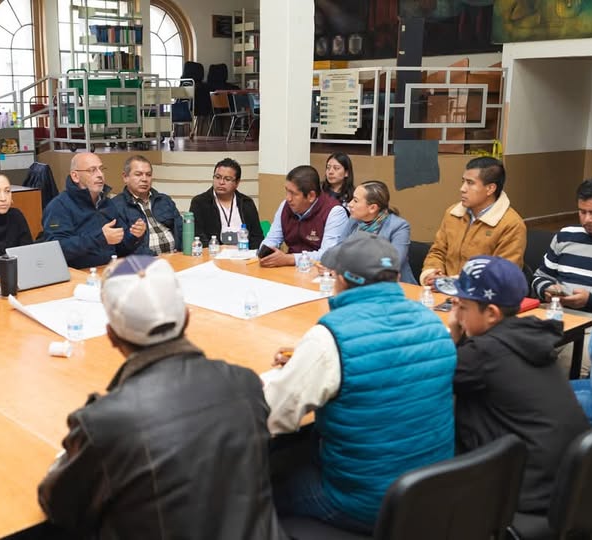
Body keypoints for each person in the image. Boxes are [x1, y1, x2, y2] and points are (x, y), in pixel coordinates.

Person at [37, 255, 287, 539]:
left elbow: (59, 505)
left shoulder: (104, 423)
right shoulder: (245, 383)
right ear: (187, 318)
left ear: (111, 335)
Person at [264, 233, 456, 533]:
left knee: (264, 482)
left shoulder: (331, 338)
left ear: (341, 279)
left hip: (364, 503)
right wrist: (310, 362)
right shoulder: (434, 323)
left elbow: (274, 416)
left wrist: (284, 373)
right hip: (431, 492)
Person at [439, 255, 589, 513]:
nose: (456, 313)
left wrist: (454, 334)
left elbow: (436, 382)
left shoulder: (482, 354)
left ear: (491, 313)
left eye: (461, 306)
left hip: (521, 492)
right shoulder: (527, 335)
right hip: (566, 486)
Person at [420, 157, 526, 286]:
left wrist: (453, 283)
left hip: (482, 298)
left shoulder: (511, 224)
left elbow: (503, 273)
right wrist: (432, 274)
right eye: (463, 181)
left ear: (490, 189)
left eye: (470, 183)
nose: (462, 188)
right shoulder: (452, 213)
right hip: (444, 290)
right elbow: (437, 252)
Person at [532, 176, 592, 315]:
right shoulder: (566, 236)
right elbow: (538, 277)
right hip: (558, 315)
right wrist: (546, 289)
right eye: (582, 212)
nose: (587, 219)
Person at [42, 152, 146, 268]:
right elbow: (57, 249)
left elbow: (121, 248)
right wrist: (100, 238)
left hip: (107, 270)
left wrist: (134, 235)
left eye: (101, 169)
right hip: (77, 275)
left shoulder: (107, 203)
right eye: (92, 170)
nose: (100, 175)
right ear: (75, 176)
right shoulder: (59, 206)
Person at [259, 165, 348, 267]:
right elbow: (272, 239)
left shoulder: (334, 212)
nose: (288, 198)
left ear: (311, 196)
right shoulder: (285, 206)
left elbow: (328, 255)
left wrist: (290, 259)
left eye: (293, 193)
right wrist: (264, 252)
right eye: (287, 191)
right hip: (288, 269)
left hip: (317, 272)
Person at [344, 180, 416, 283]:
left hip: (397, 288)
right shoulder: (354, 221)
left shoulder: (398, 226)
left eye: (355, 201)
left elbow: (394, 263)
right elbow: (338, 250)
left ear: (372, 208)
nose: (350, 204)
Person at [111, 155, 183, 256]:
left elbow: (180, 229)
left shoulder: (164, 200)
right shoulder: (115, 206)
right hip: (145, 263)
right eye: (138, 174)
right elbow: (121, 247)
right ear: (125, 177)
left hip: (175, 258)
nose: (144, 179)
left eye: (148, 175)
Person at [189, 157, 264, 249]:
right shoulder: (200, 202)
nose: (221, 182)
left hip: (243, 255)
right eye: (217, 177)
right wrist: (220, 249)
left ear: (237, 183)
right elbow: (198, 236)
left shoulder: (246, 203)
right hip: (214, 255)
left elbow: (257, 237)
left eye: (227, 179)